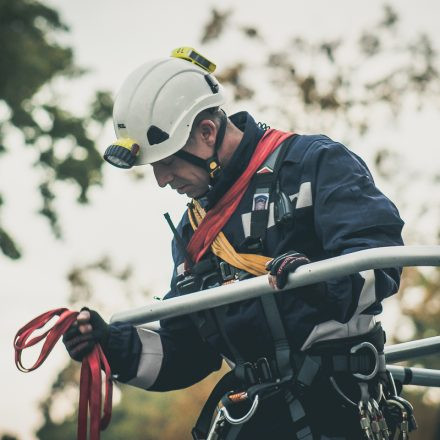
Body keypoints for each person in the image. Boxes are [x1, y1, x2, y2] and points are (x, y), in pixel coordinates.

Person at [63, 48, 409, 439]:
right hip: (255, 417)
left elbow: (380, 260)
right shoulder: (194, 232)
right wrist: (109, 345)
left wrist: (314, 280)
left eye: (167, 163)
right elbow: (186, 354)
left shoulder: (313, 165)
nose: (161, 180)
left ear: (207, 132)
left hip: (338, 409)